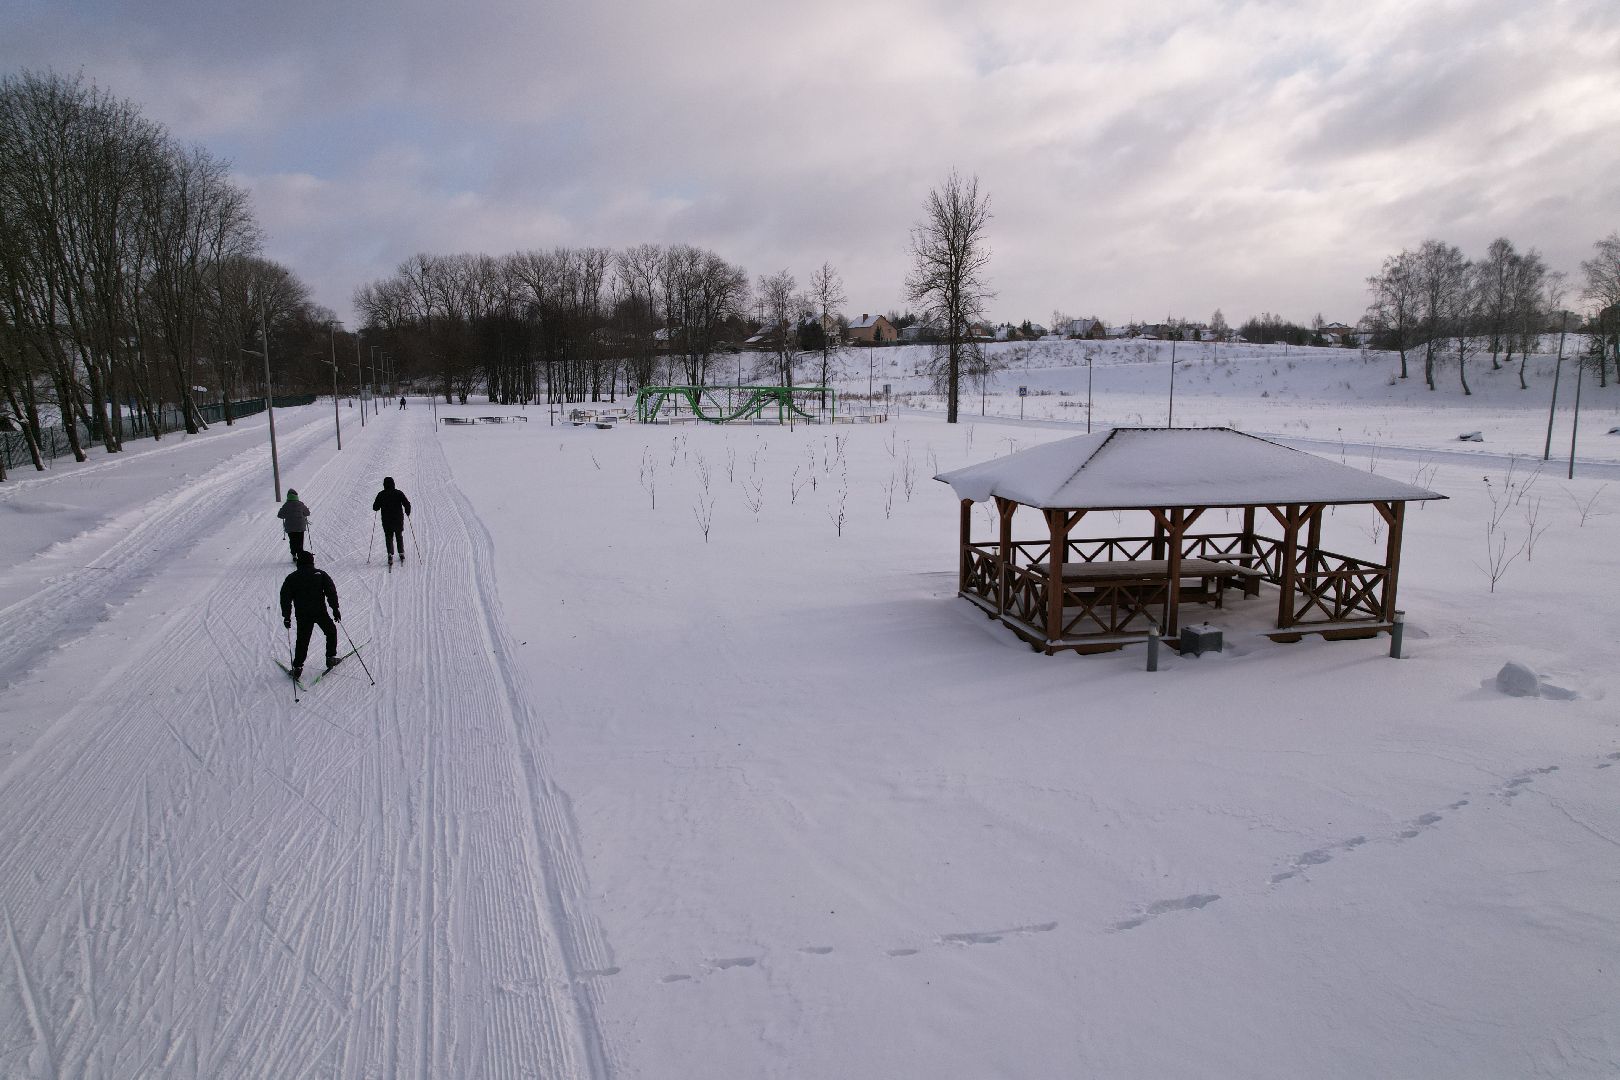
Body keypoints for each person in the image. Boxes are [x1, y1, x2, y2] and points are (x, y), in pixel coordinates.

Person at [279, 551, 340, 679]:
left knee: (302, 640)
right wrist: (335, 609)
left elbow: (285, 598)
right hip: (320, 612)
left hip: (302, 614)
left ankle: (297, 667)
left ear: (299, 563)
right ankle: (330, 658)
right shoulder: (320, 574)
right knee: (331, 631)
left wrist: (287, 616)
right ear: (312, 561)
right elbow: (331, 592)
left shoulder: (292, 578)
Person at [372, 476, 412, 565]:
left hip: (387, 520)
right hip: (398, 519)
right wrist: (407, 511)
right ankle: (401, 553)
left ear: (384, 485)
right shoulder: (398, 493)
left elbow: (375, 507)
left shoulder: (381, 494)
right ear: (393, 484)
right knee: (399, 535)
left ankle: (390, 554)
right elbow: (407, 503)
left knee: (388, 536)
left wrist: (378, 506)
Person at [277, 489, 310, 564]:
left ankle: (294, 554)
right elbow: (307, 513)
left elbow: (280, 515)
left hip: (290, 527)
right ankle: (300, 555)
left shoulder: (286, 505)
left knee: (292, 540)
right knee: (300, 541)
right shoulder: (300, 504)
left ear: (288, 496)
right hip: (300, 526)